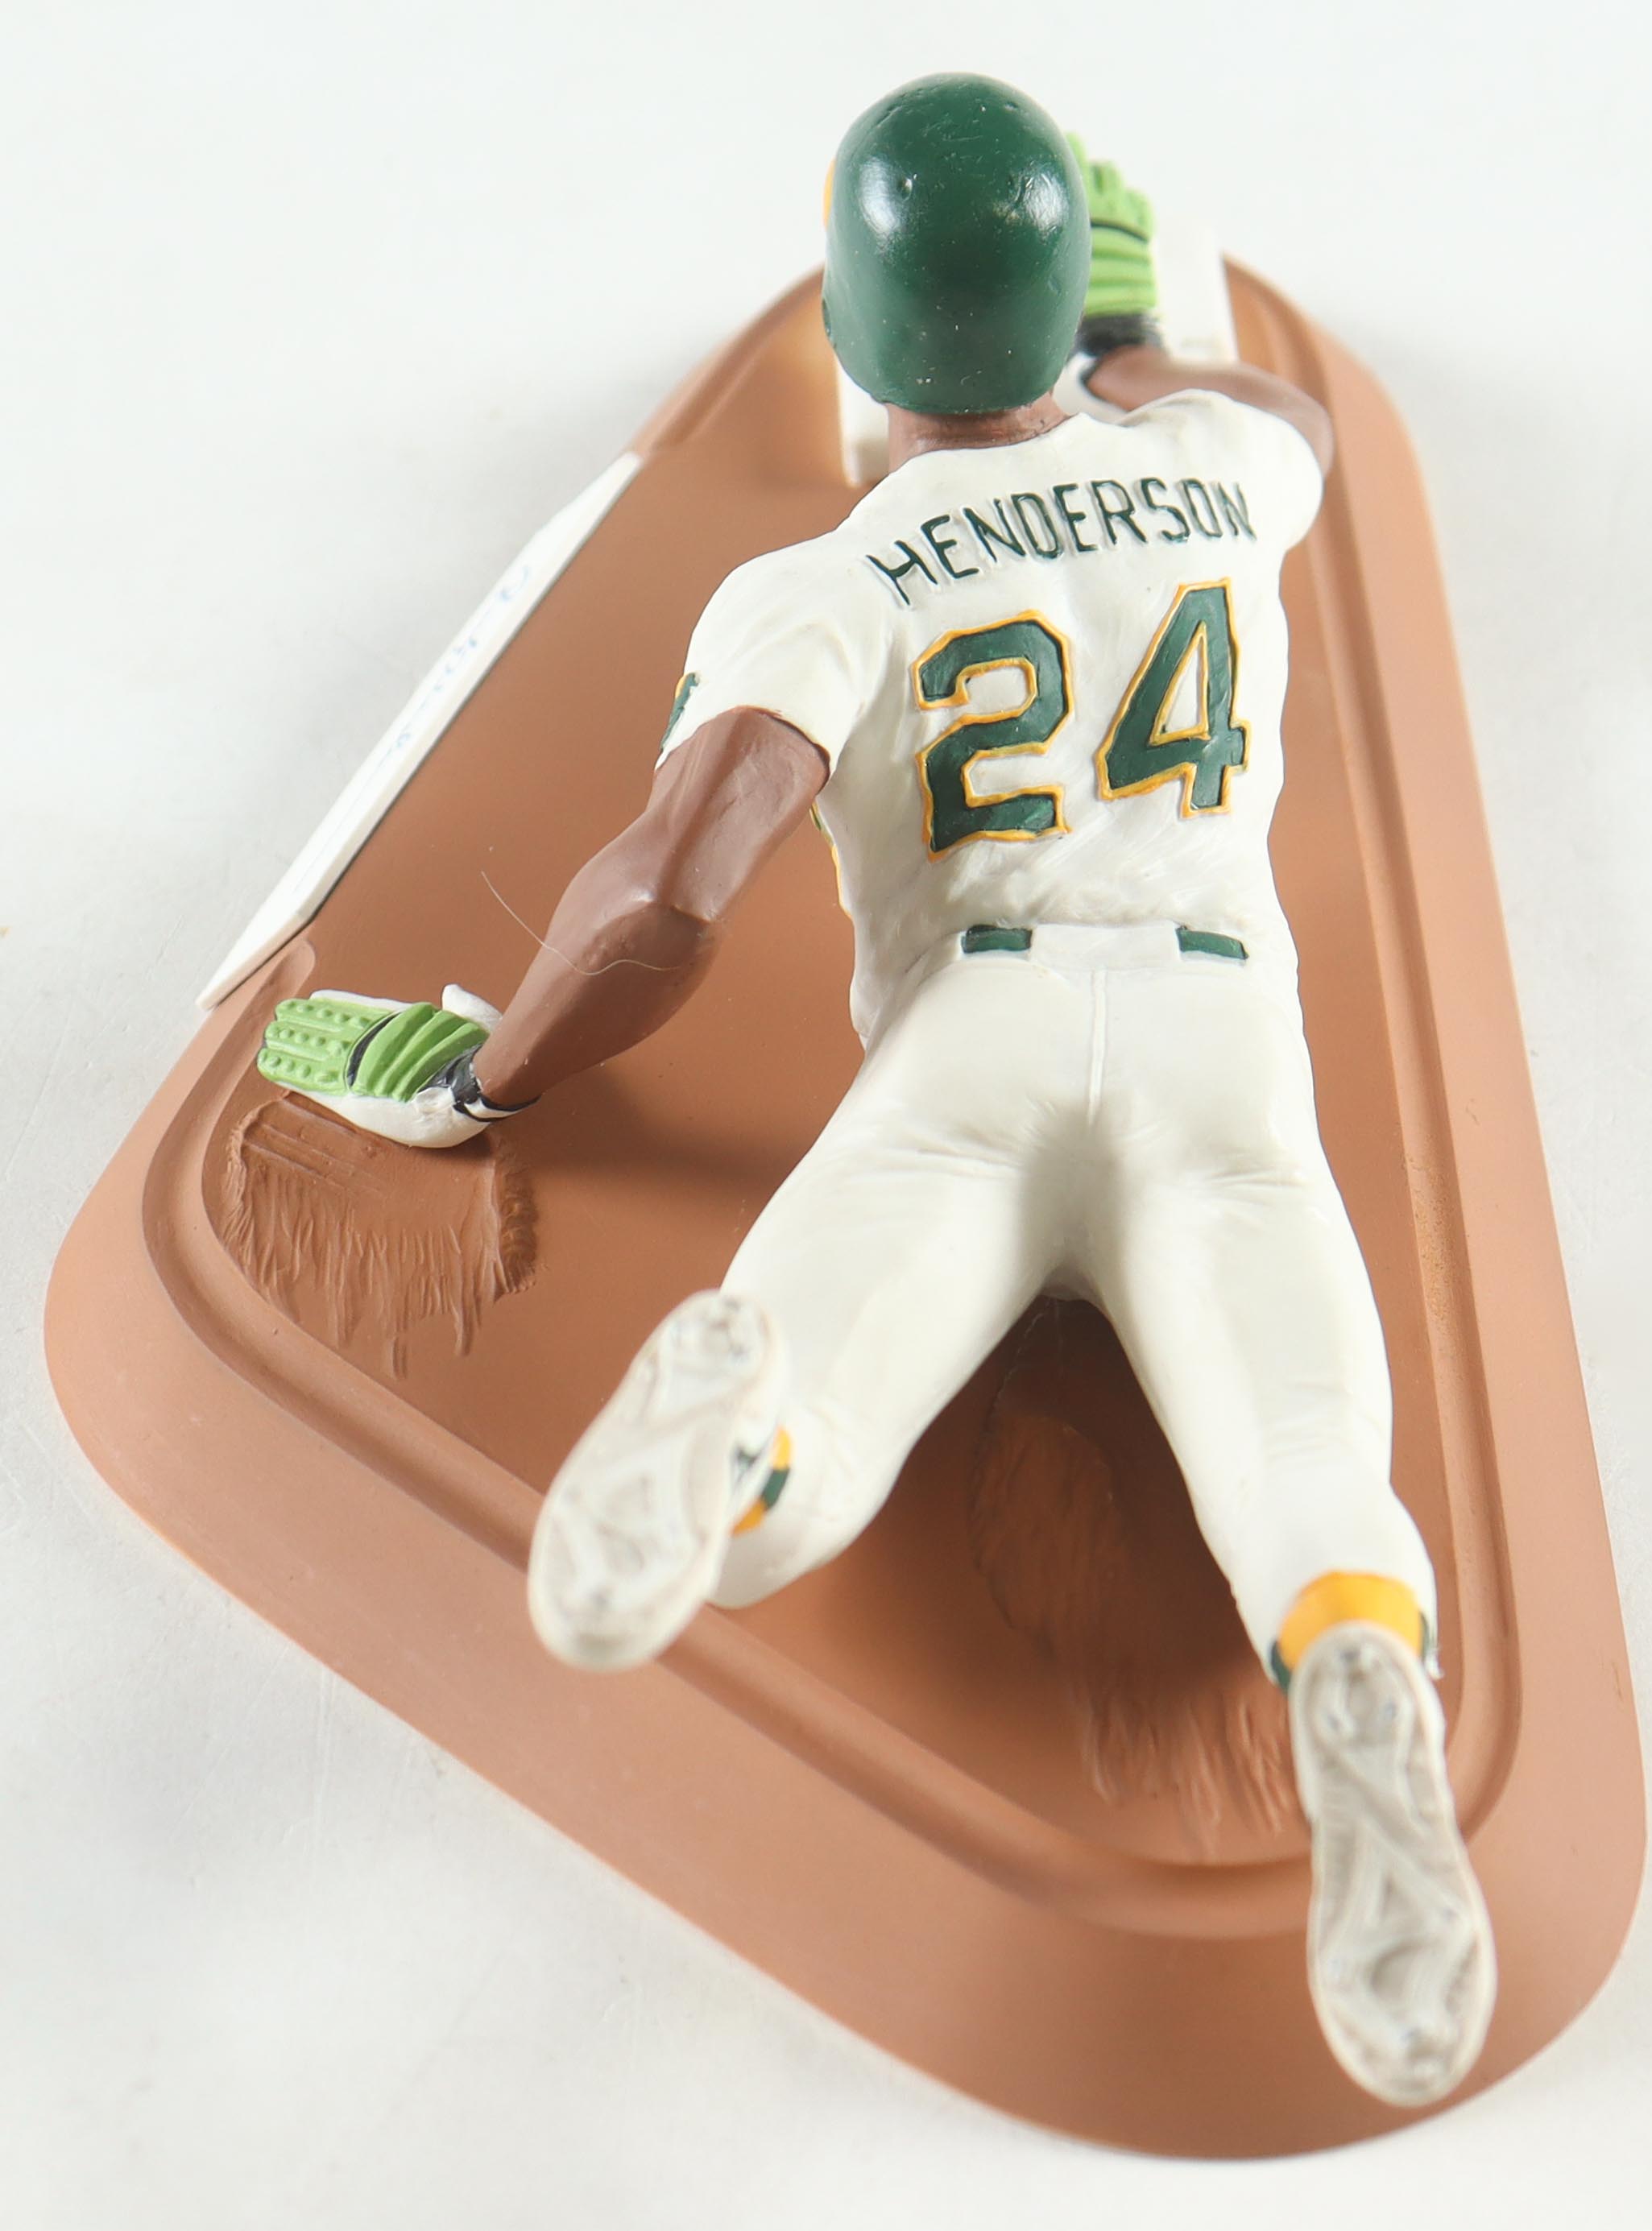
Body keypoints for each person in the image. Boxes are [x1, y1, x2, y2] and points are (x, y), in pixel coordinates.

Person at [258, 74, 1496, 2109]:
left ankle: (732, 1430)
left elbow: (664, 896)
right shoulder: (1212, 464)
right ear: (1068, 313)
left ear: (850, 332)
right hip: (1220, 1030)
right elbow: (1300, 422)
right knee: (1302, 1456)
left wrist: (486, 1072)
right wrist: (1121, 344)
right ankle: (1354, 1658)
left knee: (818, 1424)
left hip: (971, 1043)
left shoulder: (826, 580)